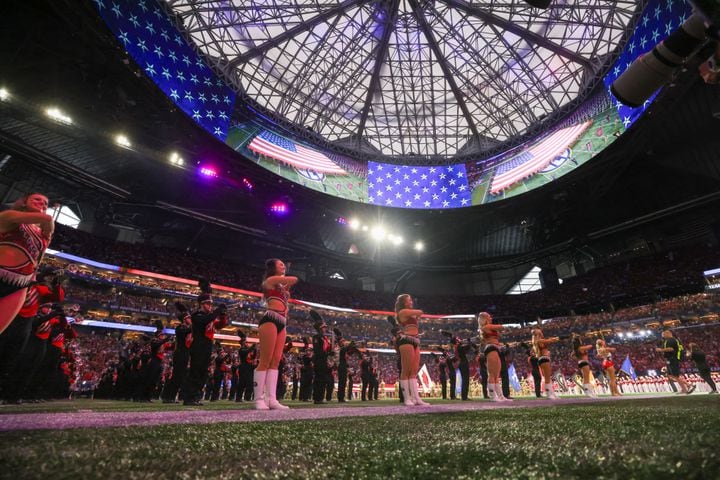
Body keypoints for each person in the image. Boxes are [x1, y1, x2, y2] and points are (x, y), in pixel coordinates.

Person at [0, 193, 54, 334]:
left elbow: (38, 260)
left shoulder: (42, 234)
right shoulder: (9, 215)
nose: (42, 203)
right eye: (37, 199)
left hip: (20, 285)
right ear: (24, 202)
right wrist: (47, 217)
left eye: (45, 203)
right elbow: (48, 219)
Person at [254, 258, 297, 410]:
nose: (284, 266)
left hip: (282, 321)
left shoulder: (280, 285)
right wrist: (284, 284)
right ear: (273, 268)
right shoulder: (270, 280)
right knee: (265, 360)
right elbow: (294, 279)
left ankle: (271, 399)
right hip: (271, 319)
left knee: (276, 361)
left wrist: (284, 289)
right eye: (281, 264)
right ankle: (258, 399)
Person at [183, 289, 228, 406]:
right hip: (198, 345)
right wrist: (218, 310)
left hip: (207, 346)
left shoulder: (209, 316)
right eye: (208, 304)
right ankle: (189, 398)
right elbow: (206, 320)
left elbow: (221, 325)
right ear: (201, 304)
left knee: (203, 373)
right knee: (195, 372)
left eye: (211, 304)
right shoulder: (197, 315)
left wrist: (223, 315)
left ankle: (196, 397)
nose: (210, 306)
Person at [394, 294, 429, 407]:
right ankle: (407, 398)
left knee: (414, 371)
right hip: (406, 340)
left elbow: (418, 315)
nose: (411, 301)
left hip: (415, 340)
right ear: (404, 302)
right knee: (406, 370)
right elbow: (420, 312)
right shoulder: (403, 312)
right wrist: (415, 313)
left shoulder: (410, 313)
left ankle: (416, 398)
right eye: (409, 300)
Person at [479, 312, 509, 402]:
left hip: (495, 348)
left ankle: (500, 396)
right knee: (492, 374)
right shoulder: (486, 327)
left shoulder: (488, 327)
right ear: (485, 319)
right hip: (491, 348)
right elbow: (501, 327)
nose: (491, 318)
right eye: (489, 317)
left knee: (496, 375)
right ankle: (492, 395)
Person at [655, 329, 694, 395]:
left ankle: (687, 387)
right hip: (670, 359)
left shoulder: (671, 340)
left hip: (672, 359)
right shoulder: (672, 340)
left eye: (663, 334)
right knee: (670, 375)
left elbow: (671, 349)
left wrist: (661, 350)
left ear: (668, 333)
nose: (663, 336)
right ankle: (686, 386)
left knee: (675, 375)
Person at [532, 328, 560, 399]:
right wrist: (557, 338)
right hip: (544, 359)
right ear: (538, 334)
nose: (542, 332)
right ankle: (549, 394)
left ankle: (551, 393)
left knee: (548, 377)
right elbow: (550, 340)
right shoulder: (540, 340)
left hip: (542, 359)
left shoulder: (537, 341)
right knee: (547, 378)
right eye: (540, 332)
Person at [311, 316, 332, 405]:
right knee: (319, 379)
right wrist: (327, 354)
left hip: (323, 360)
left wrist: (330, 352)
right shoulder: (316, 337)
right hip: (319, 360)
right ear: (320, 328)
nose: (325, 329)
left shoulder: (324, 338)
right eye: (324, 327)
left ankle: (320, 397)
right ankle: (317, 398)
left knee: (323, 380)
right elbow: (317, 351)